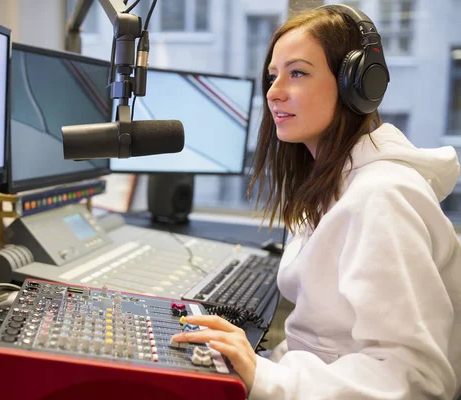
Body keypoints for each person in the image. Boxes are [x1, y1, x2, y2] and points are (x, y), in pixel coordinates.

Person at [171, 4, 461, 399]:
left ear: (356, 86)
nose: (274, 92)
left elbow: (416, 382)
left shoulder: (383, 196)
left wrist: (264, 376)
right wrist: (262, 365)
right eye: (273, 76)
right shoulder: (332, 185)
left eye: (298, 73)